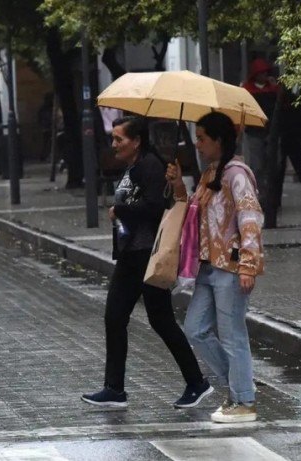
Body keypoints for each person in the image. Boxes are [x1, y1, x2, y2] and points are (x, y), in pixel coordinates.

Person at [81, 116, 213, 409]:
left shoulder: (150, 165)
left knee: (146, 319)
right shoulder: (136, 165)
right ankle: (118, 388)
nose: (114, 144)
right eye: (113, 138)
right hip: (133, 253)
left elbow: (154, 208)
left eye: (119, 139)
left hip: (145, 254)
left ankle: (194, 382)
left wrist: (121, 210)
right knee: (128, 317)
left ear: (137, 140)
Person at [167, 112, 264, 423]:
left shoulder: (237, 174)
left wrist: (248, 265)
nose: (198, 145)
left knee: (233, 334)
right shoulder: (211, 172)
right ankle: (241, 387)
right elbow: (194, 215)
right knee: (195, 328)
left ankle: (244, 400)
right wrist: (178, 186)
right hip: (208, 267)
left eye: (202, 139)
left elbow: (250, 218)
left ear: (218, 140)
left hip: (231, 266)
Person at [241, 58, 279, 192]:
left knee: (272, 165)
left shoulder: (272, 89)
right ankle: (259, 193)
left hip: (270, 131)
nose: (264, 76)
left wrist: (275, 89)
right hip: (254, 131)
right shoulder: (247, 89)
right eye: (261, 73)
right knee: (257, 165)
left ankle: (270, 194)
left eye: (265, 73)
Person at [277, 87, 301, 208]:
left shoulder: (280, 104)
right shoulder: (297, 103)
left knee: (280, 171)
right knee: (300, 168)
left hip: (284, 139)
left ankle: (276, 199)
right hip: (295, 140)